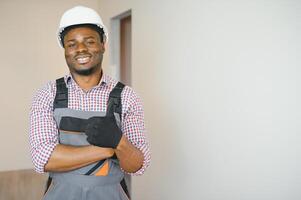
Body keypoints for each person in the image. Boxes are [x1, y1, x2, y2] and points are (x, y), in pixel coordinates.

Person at [29, 6, 150, 200]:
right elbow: (43, 158)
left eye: (90, 41)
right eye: (72, 44)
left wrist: (119, 141)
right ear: (65, 51)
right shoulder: (47, 94)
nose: (81, 49)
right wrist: (109, 149)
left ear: (103, 45)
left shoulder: (127, 96)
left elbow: (138, 166)